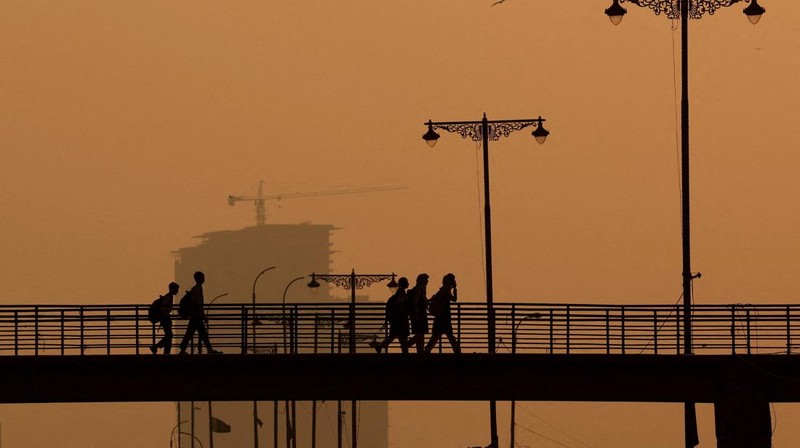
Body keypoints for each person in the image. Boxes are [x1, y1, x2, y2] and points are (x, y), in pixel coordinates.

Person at [178, 271, 222, 354]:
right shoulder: (198, 289)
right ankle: (209, 350)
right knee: (200, 333)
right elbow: (199, 304)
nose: (204, 279)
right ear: (198, 279)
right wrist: (203, 315)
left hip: (194, 315)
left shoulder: (195, 289)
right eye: (202, 277)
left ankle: (183, 351)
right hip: (196, 316)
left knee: (193, 333)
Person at [371, 277, 410, 354]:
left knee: (393, 336)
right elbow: (400, 303)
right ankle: (405, 354)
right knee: (403, 337)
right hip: (400, 319)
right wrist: (404, 311)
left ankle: (380, 346)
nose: (408, 284)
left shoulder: (398, 293)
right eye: (406, 282)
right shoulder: (402, 293)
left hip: (396, 319)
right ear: (404, 284)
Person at [424, 273, 460, 354]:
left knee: (435, 335)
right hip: (445, 316)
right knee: (449, 335)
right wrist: (455, 288)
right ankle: (457, 350)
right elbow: (454, 299)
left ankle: (427, 350)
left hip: (440, 316)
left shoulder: (442, 290)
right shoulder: (446, 291)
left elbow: (435, 299)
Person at [150, 282, 179, 354]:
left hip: (165, 319)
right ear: (172, 289)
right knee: (169, 335)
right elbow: (164, 309)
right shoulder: (168, 297)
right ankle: (156, 347)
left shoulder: (169, 297)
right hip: (165, 319)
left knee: (168, 336)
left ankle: (165, 351)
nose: (177, 291)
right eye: (176, 289)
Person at [406, 273, 430, 353]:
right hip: (419, 314)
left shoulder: (418, 289)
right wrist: (417, 313)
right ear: (422, 281)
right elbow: (416, 301)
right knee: (420, 334)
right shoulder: (420, 289)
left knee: (420, 333)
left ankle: (419, 350)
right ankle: (408, 345)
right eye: (426, 280)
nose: (427, 281)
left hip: (417, 314)